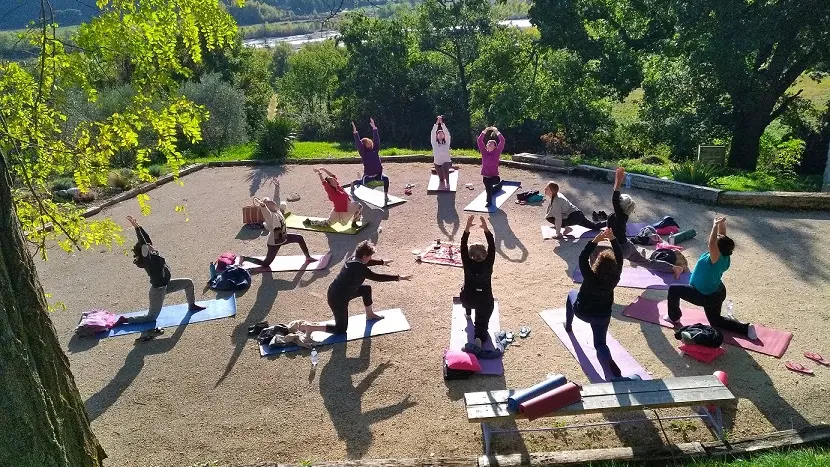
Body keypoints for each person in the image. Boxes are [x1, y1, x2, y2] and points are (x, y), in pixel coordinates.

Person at [665, 216, 757, 339]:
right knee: (715, 322)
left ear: (717, 248)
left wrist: (714, 225)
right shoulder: (725, 254)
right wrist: (721, 224)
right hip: (716, 293)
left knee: (673, 289)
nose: (717, 238)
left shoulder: (715, 258)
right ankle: (746, 328)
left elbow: (712, 242)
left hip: (705, 295)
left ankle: (673, 317)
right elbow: (722, 236)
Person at [301, 241, 412, 335]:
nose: (370, 259)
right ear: (364, 257)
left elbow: (367, 262)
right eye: (370, 256)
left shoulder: (353, 258)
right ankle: (311, 328)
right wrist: (398, 278)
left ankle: (370, 315)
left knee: (366, 289)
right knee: (341, 329)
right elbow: (377, 277)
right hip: (338, 299)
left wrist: (381, 262)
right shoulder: (360, 269)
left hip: (341, 291)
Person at [119, 216, 205, 332]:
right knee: (151, 318)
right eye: (147, 246)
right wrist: (136, 230)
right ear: (144, 250)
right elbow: (144, 242)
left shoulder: (152, 253)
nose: (150, 245)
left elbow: (146, 240)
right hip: (158, 291)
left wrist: (139, 227)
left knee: (188, 283)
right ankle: (125, 319)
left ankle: (192, 305)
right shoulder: (147, 259)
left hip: (166, 285)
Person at [605, 167, 685, 279]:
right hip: (628, 245)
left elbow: (615, 200)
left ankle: (600, 275)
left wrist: (618, 182)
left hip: (621, 249)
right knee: (648, 262)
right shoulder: (620, 216)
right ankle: (674, 268)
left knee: (599, 255)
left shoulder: (621, 216)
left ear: (619, 205)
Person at [565, 228, 624, 377]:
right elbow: (620, 257)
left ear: (597, 264)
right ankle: (608, 360)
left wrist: (595, 240)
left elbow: (582, 257)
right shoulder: (615, 277)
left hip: (582, 312)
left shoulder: (590, 276)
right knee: (600, 344)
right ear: (614, 267)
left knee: (571, 294)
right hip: (602, 317)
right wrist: (613, 239)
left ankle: (568, 325)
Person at [240, 193, 316, 267]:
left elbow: (276, 197)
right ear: (267, 207)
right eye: (268, 202)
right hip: (274, 243)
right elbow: (265, 211)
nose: (271, 201)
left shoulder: (277, 209)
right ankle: (245, 258)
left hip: (283, 237)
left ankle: (308, 257)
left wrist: (277, 187)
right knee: (265, 263)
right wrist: (262, 206)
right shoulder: (270, 216)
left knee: (299, 238)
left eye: (270, 200)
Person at [460, 215, 496, 347]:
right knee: (481, 322)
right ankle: (479, 337)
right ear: (486, 255)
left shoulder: (467, 262)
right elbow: (492, 246)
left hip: (467, 299)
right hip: (484, 301)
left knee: (464, 287)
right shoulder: (488, 263)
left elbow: (463, 246)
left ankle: (468, 312)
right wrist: (486, 229)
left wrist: (467, 228)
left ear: (469, 255)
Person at [351, 118, 391, 206]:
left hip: (377, 174)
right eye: (367, 142)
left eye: (370, 141)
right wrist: (355, 132)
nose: (370, 142)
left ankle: (385, 195)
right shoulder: (364, 153)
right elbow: (358, 143)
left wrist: (374, 128)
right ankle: (353, 183)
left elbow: (377, 140)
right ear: (364, 145)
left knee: (386, 179)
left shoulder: (375, 150)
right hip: (368, 176)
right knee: (361, 183)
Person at [477, 126, 506, 208]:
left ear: (495, 147)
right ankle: (499, 187)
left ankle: (489, 202)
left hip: (495, 178)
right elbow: (479, 141)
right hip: (486, 177)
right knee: (490, 190)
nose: (489, 143)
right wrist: (485, 131)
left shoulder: (496, 153)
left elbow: (502, 141)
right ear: (486, 146)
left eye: (492, 143)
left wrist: (496, 131)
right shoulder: (484, 152)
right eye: (488, 142)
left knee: (489, 186)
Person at [431, 115, 452, 190]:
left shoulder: (447, 142)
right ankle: (443, 177)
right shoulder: (434, 143)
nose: (440, 134)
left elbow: (447, 133)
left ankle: (448, 183)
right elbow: (433, 132)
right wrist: (437, 123)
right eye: (438, 134)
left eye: (441, 134)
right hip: (437, 163)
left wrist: (442, 123)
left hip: (446, 162)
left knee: (445, 167)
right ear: (437, 136)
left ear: (443, 135)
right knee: (441, 179)